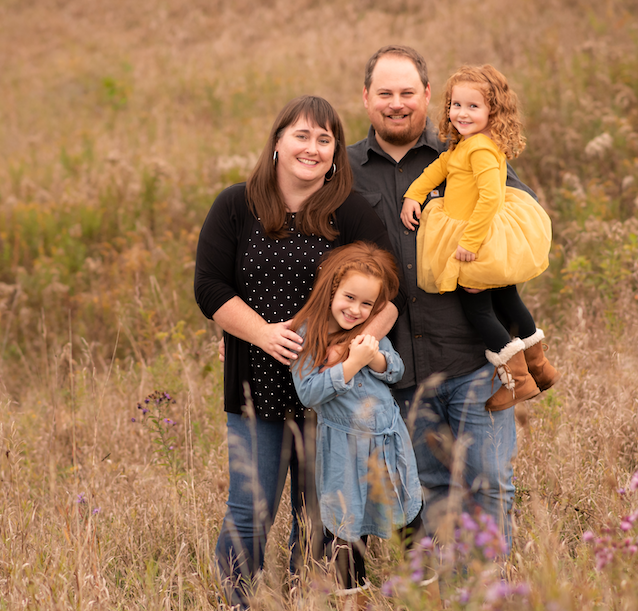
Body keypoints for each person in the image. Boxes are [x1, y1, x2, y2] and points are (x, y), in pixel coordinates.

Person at [194, 95, 403, 607]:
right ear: (278, 142)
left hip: (333, 395)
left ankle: (309, 600)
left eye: (325, 139)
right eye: (302, 136)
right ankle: (236, 602)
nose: (312, 148)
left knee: (322, 513)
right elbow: (210, 288)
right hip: (255, 384)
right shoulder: (234, 205)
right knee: (251, 509)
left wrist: (349, 349)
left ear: (335, 154)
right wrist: (261, 333)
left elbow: (390, 294)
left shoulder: (350, 213)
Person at [348, 45, 554, 551]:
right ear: (366, 98)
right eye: (384, 93)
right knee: (430, 490)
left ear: (426, 95)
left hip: (471, 359)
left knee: (488, 485)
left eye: (406, 93)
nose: (396, 103)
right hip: (397, 369)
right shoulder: (345, 170)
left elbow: (523, 221)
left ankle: (487, 595)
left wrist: (489, 267)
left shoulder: (468, 150)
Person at [401, 64, 559, 411]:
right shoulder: (465, 145)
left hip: (478, 236)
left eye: (473, 106)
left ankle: (517, 381)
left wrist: (469, 245)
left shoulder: (481, 150)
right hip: (482, 233)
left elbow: (490, 198)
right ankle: (539, 367)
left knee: (478, 306)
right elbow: (438, 168)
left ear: (493, 111)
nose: (461, 113)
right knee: (507, 299)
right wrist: (414, 194)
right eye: (456, 105)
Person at [289, 242, 423, 598]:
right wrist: (350, 363)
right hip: (343, 446)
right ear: (333, 288)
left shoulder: (369, 333)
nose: (356, 310)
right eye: (349, 298)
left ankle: (426, 595)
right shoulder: (307, 333)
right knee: (347, 526)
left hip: (388, 439)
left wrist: (372, 357)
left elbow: (395, 370)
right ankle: (354, 598)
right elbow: (309, 393)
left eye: (367, 304)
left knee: (408, 516)